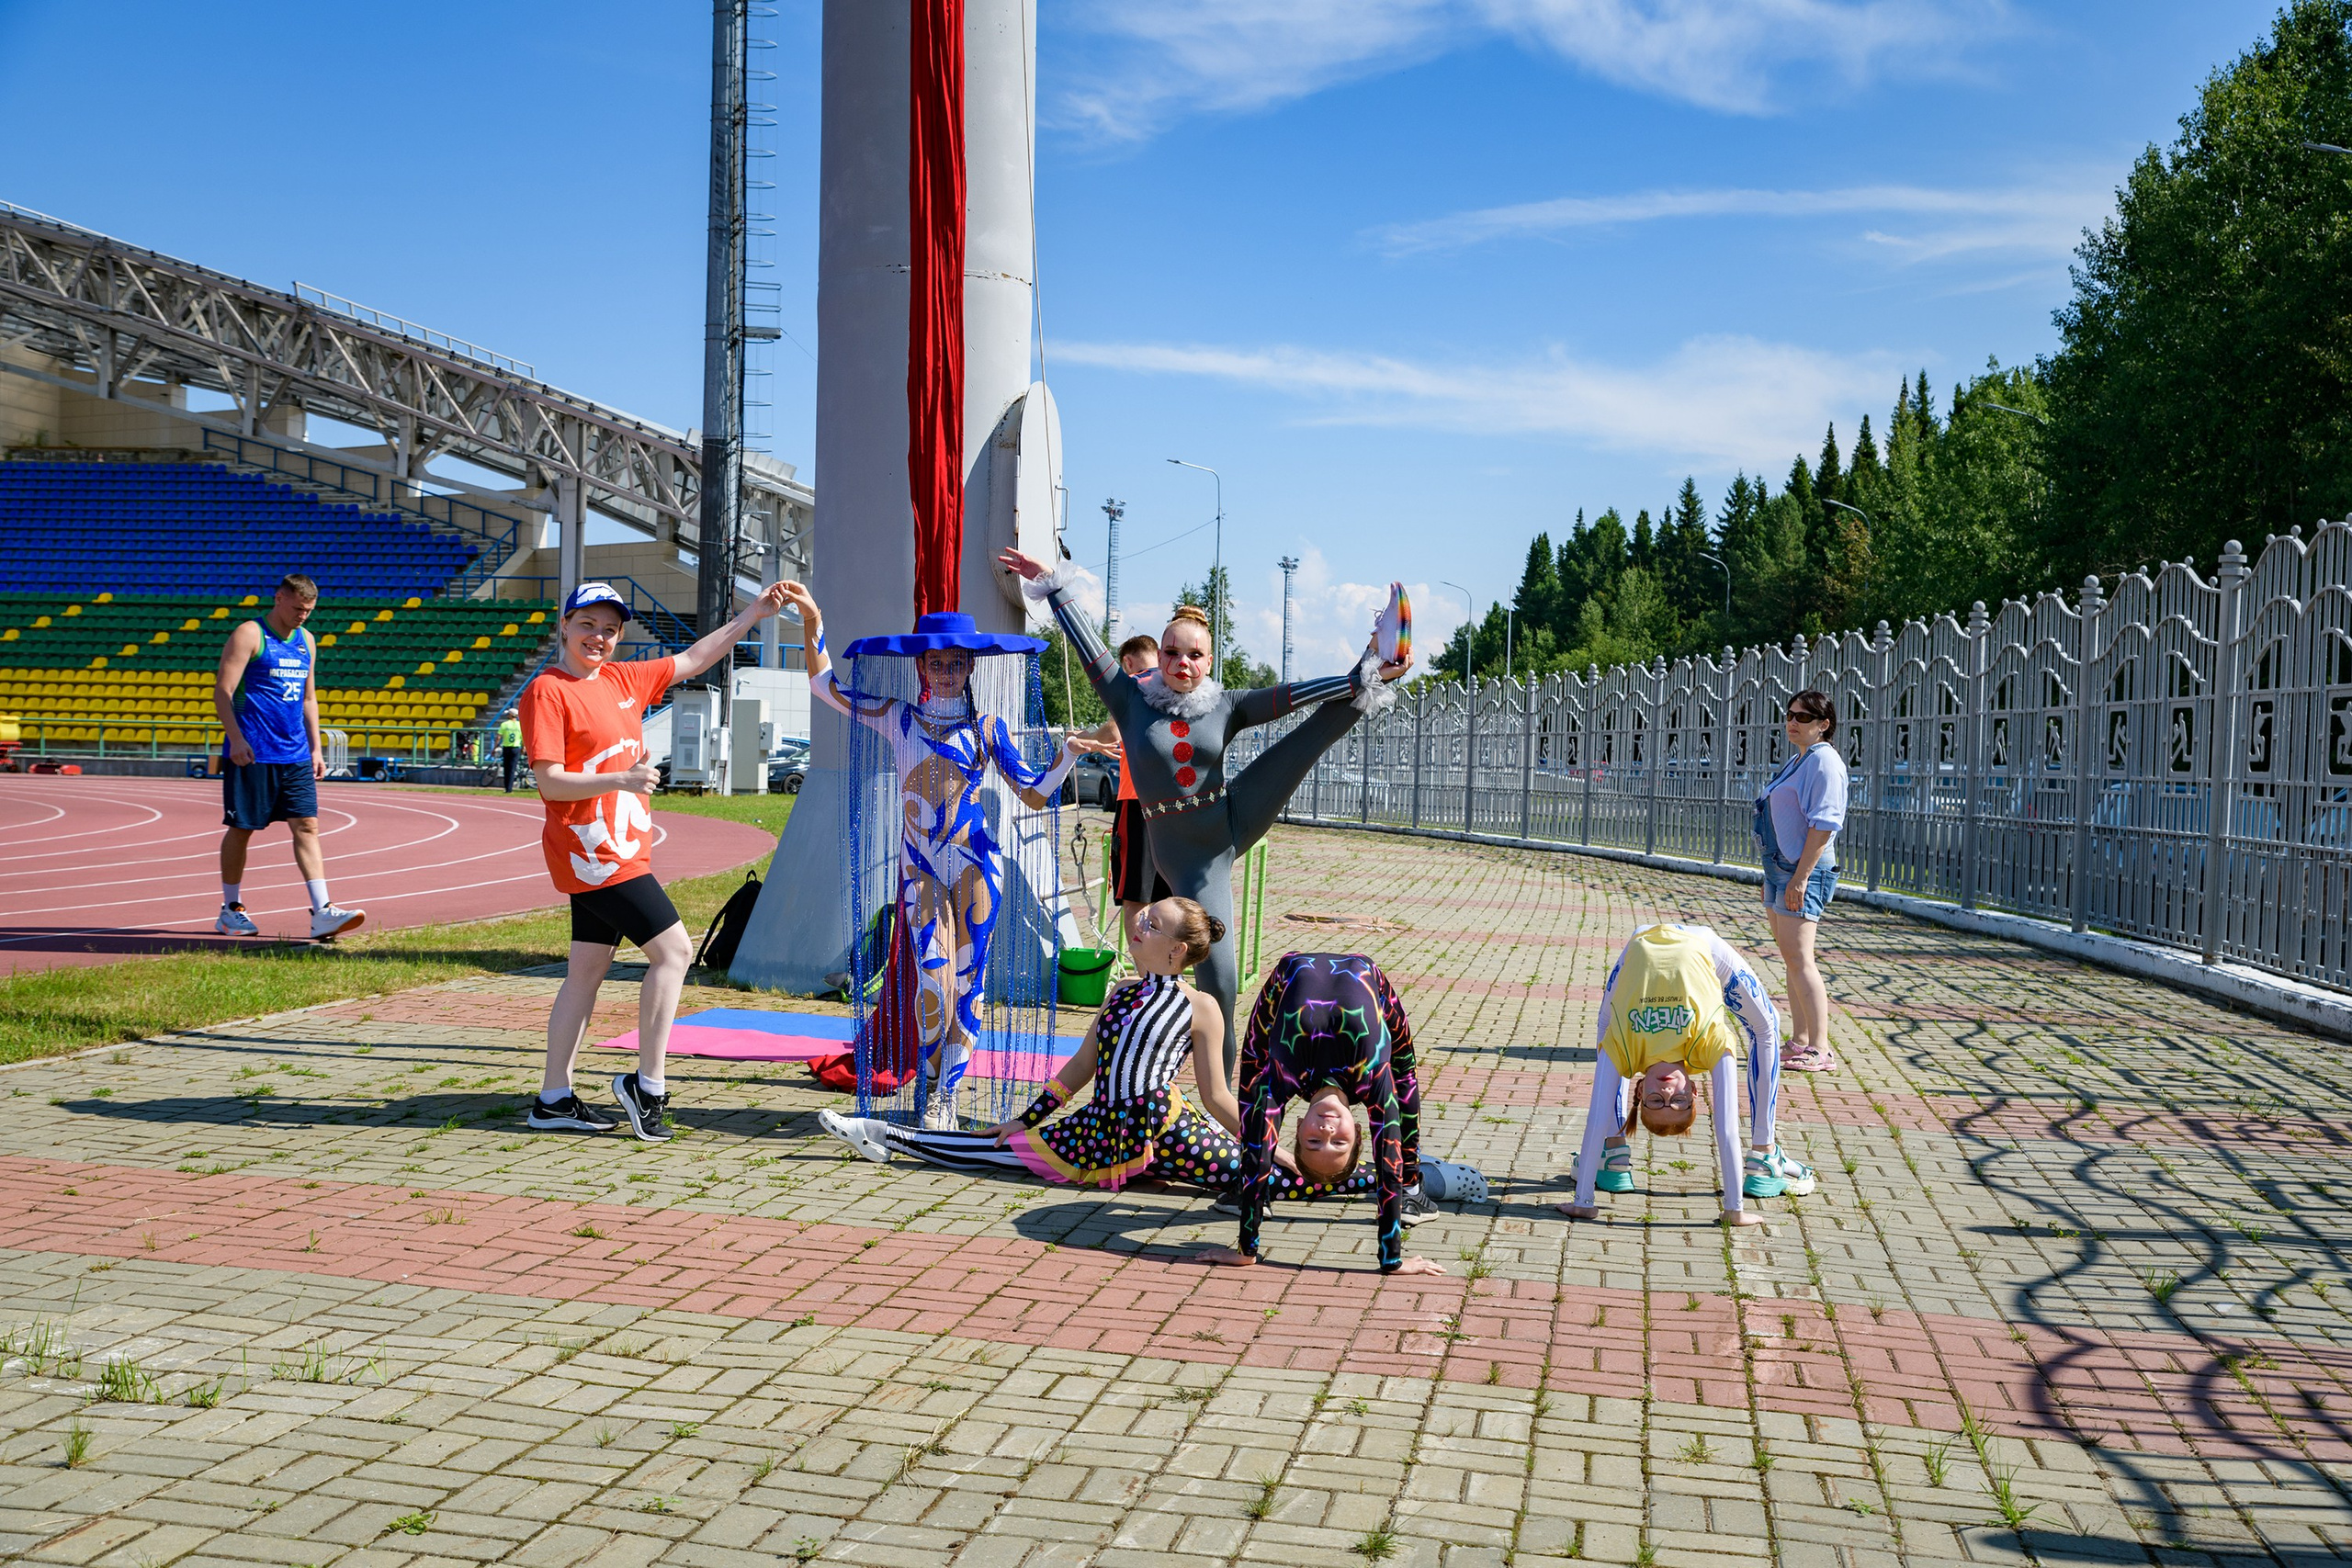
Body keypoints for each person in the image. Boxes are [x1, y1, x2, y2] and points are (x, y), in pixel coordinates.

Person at [1001, 547, 1408, 1079]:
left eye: (1194, 655)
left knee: (1307, 740)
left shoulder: (1223, 703)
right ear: (1160, 654)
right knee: (1220, 978)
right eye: (1171, 652)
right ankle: (1211, 1083)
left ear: (1209, 660)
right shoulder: (1130, 699)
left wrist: (1360, 678)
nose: (1181, 663)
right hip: (1194, 862)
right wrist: (1054, 587)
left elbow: (1291, 697)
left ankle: (1375, 661)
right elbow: (1089, 648)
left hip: (1232, 816)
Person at [818, 897, 1372, 1207]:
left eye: (1152, 923)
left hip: (1170, 1126)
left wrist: (1267, 1144)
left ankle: (1408, 1179)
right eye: (1145, 913)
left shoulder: (1201, 1007)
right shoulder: (1121, 993)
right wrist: (1022, 1119)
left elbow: (1218, 1095)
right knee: (996, 1153)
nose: (1139, 922)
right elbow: (1081, 1069)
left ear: (1176, 951)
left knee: (1279, 1179)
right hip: (1098, 1127)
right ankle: (881, 1134)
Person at [782, 582, 1090, 1129]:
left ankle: (943, 1098)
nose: (946, 671)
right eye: (936, 662)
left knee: (968, 985)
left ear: (970, 668)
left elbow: (1035, 793)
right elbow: (824, 686)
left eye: (956, 663)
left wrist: (1066, 754)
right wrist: (813, 619)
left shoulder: (987, 727)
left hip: (977, 866)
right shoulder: (896, 717)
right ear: (921, 667)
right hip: (919, 866)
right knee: (933, 977)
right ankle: (930, 1083)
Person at [519, 579, 788, 1140]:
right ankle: (649, 1085)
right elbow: (549, 783)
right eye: (587, 625)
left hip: (619, 844)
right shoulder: (549, 690)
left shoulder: (622, 679)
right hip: (594, 851)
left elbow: (694, 657)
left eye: (610, 629)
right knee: (675, 952)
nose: (598, 637)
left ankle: (552, 1099)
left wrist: (753, 615)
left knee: (585, 972)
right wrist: (624, 777)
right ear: (563, 627)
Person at [1205, 952, 1464, 1277]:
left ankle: (1250, 1193)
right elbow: (1388, 1163)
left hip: (1289, 970)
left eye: (1313, 1141)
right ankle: (1412, 1186)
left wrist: (1247, 1250)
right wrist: (1392, 1260)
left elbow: (1259, 1156)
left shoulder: (1281, 1080)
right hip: (1369, 973)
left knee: (1253, 1082)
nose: (1327, 1132)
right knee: (1405, 1079)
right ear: (1360, 1129)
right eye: (1338, 1143)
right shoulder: (1373, 1082)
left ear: (1296, 1126)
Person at [1555, 923, 1815, 1226]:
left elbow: (1596, 1117)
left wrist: (1584, 1201)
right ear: (1694, 1090)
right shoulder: (1709, 1045)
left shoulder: (1625, 1049)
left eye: (1656, 1101)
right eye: (1679, 1101)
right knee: (1767, 1024)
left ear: (1639, 1091)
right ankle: (1764, 1154)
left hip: (1641, 940)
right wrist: (1734, 1209)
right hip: (1702, 946)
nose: (1667, 1094)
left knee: (1605, 1029)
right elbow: (1727, 1125)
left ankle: (1613, 1153)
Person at [211, 572, 367, 942]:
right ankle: (231, 910)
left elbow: (309, 698)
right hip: (253, 751)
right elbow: (222, 690)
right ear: (279, 598)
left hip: (294, 752)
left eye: (309, 611)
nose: (303, 616)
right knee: (242, 828)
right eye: (298, 608)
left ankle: (323, 911)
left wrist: (316, 747)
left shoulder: (306, 640)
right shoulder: (250, 633)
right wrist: (235, 740)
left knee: (308, 826)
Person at [1757, 691, 1848, 1073]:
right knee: (1792, 960)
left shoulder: (1824, 762)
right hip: (1780, 868)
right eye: (1790, 714)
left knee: (1801, 959)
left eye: (1804, 717)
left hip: (1802, 871)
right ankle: (1800, 1041)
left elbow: (1824, 825)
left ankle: (1821, 1050)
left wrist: (1800, 879)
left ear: (1824, 724)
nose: (1793, 722)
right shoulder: (1801, 759)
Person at [1080, 633, 1167, 944]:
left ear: (1127, 663)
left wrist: (1082, 739)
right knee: (1169, 897)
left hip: (1138, 802)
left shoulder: (1135, 685)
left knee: (1136, 897)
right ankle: (1169, 975)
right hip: (1177, 805)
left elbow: (1112, 731)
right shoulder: (1175, 685)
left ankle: (1148, 978)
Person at [497, 707, 524, 793]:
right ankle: (510, 788)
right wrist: (524, 748)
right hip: (516, 748)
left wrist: (495, 747)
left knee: (507, 768)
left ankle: (506, 787)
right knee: (512, 769)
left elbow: (498, 737)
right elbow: (523, 738)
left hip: (506, 747)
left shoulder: (504, 724)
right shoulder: (520, 725)